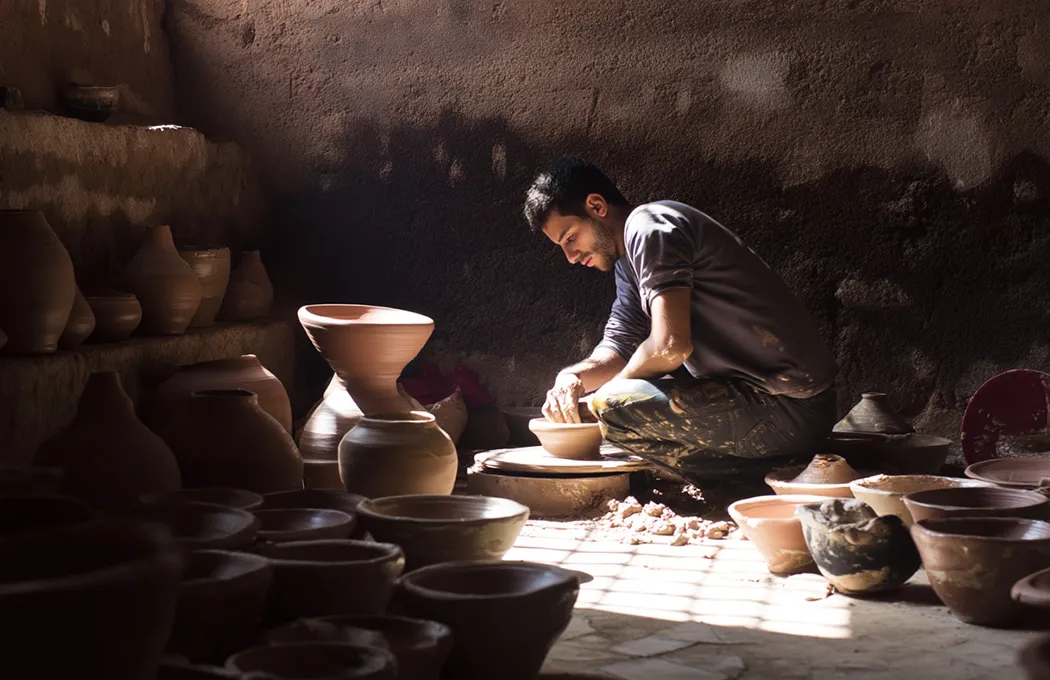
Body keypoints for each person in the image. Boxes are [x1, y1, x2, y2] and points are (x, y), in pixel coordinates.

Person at [523, 156, 839, 483]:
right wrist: (571, 377)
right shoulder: (627, 261)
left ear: (597, 206)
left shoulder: (649, 226)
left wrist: (602, 401)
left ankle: (758, 476)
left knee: (612, 409)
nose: (571, 258)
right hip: (765, 403)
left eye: (570, 238)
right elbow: (619, 347)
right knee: (614, 413)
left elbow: (670, 346)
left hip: (791, 406)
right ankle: (765, 473)